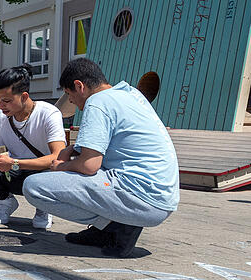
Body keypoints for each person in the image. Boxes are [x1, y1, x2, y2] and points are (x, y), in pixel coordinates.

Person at [22, 58, 179, 258]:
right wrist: (73, 152)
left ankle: (117, 226)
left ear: (80, 86)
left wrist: (60, 166)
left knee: (34, 187)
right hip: (163, 197)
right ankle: (107, 229)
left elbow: (89, 165)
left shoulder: (97, 103)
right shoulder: (130, 94)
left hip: (142, 198)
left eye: (69, 94)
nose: (70, 101)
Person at [0, 65, 65, 228]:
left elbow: (57, 157)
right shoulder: (1, 116)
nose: (1, 105)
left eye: (7, 101)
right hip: (14, 172)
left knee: (45, 176)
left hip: (41, 174)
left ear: (24, 96)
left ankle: (43, 206)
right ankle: (6, 202)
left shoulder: (48, 113)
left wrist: (14, 163)